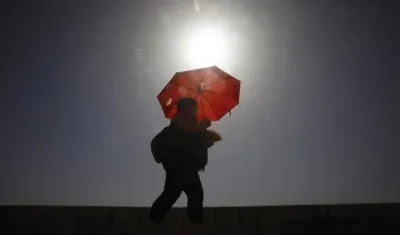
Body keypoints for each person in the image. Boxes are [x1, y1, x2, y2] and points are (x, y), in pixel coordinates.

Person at [149, 97, 213, 224]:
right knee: (176, 193)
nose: (195, 110)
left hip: (186, 167)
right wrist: (200, 128)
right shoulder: (178, 122)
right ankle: (153, 220)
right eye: (193, 108)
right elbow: (182, 137)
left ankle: (195, 222)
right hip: (177, 166)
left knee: (190, 193)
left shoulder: (191, 123)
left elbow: (197, 144)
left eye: (195, 108)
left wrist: (203, 130)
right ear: (184, 109)